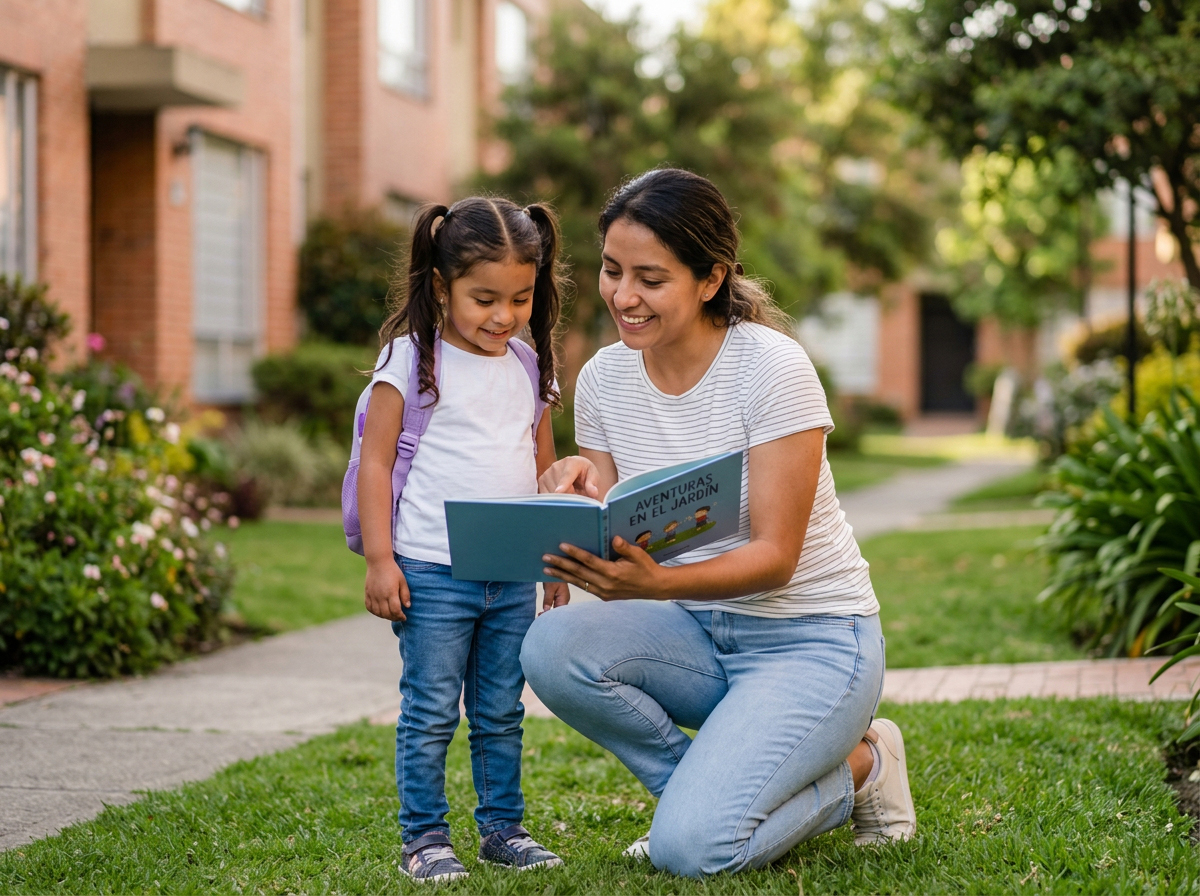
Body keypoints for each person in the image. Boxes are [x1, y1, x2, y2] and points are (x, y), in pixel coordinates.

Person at [521, 169, 916, 879]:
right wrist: (573, 491)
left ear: (711, 279)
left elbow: (775, 558)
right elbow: (621, 520)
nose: (623, 296)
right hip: (696, 630)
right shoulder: (607, 376)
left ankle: (862, 765)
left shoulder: (771, 369)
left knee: (694, 852)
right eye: (612, 270)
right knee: (552, 646)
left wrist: (652, 582)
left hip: (812, 641)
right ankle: (699, 797)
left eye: (651, 278)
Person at [358, 197, 571, 883]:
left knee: (499, 710)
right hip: (429, 571)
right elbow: (376, 462)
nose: (503, 316)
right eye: (484, 298)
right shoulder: (410, 363)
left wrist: (552, 559)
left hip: (509, 569)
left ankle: (502, 830)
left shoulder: (527, 364)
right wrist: (382, 561)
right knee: (428, 710)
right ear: (442, 285)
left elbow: (542, 466)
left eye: (520, 297)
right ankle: (423, 838)